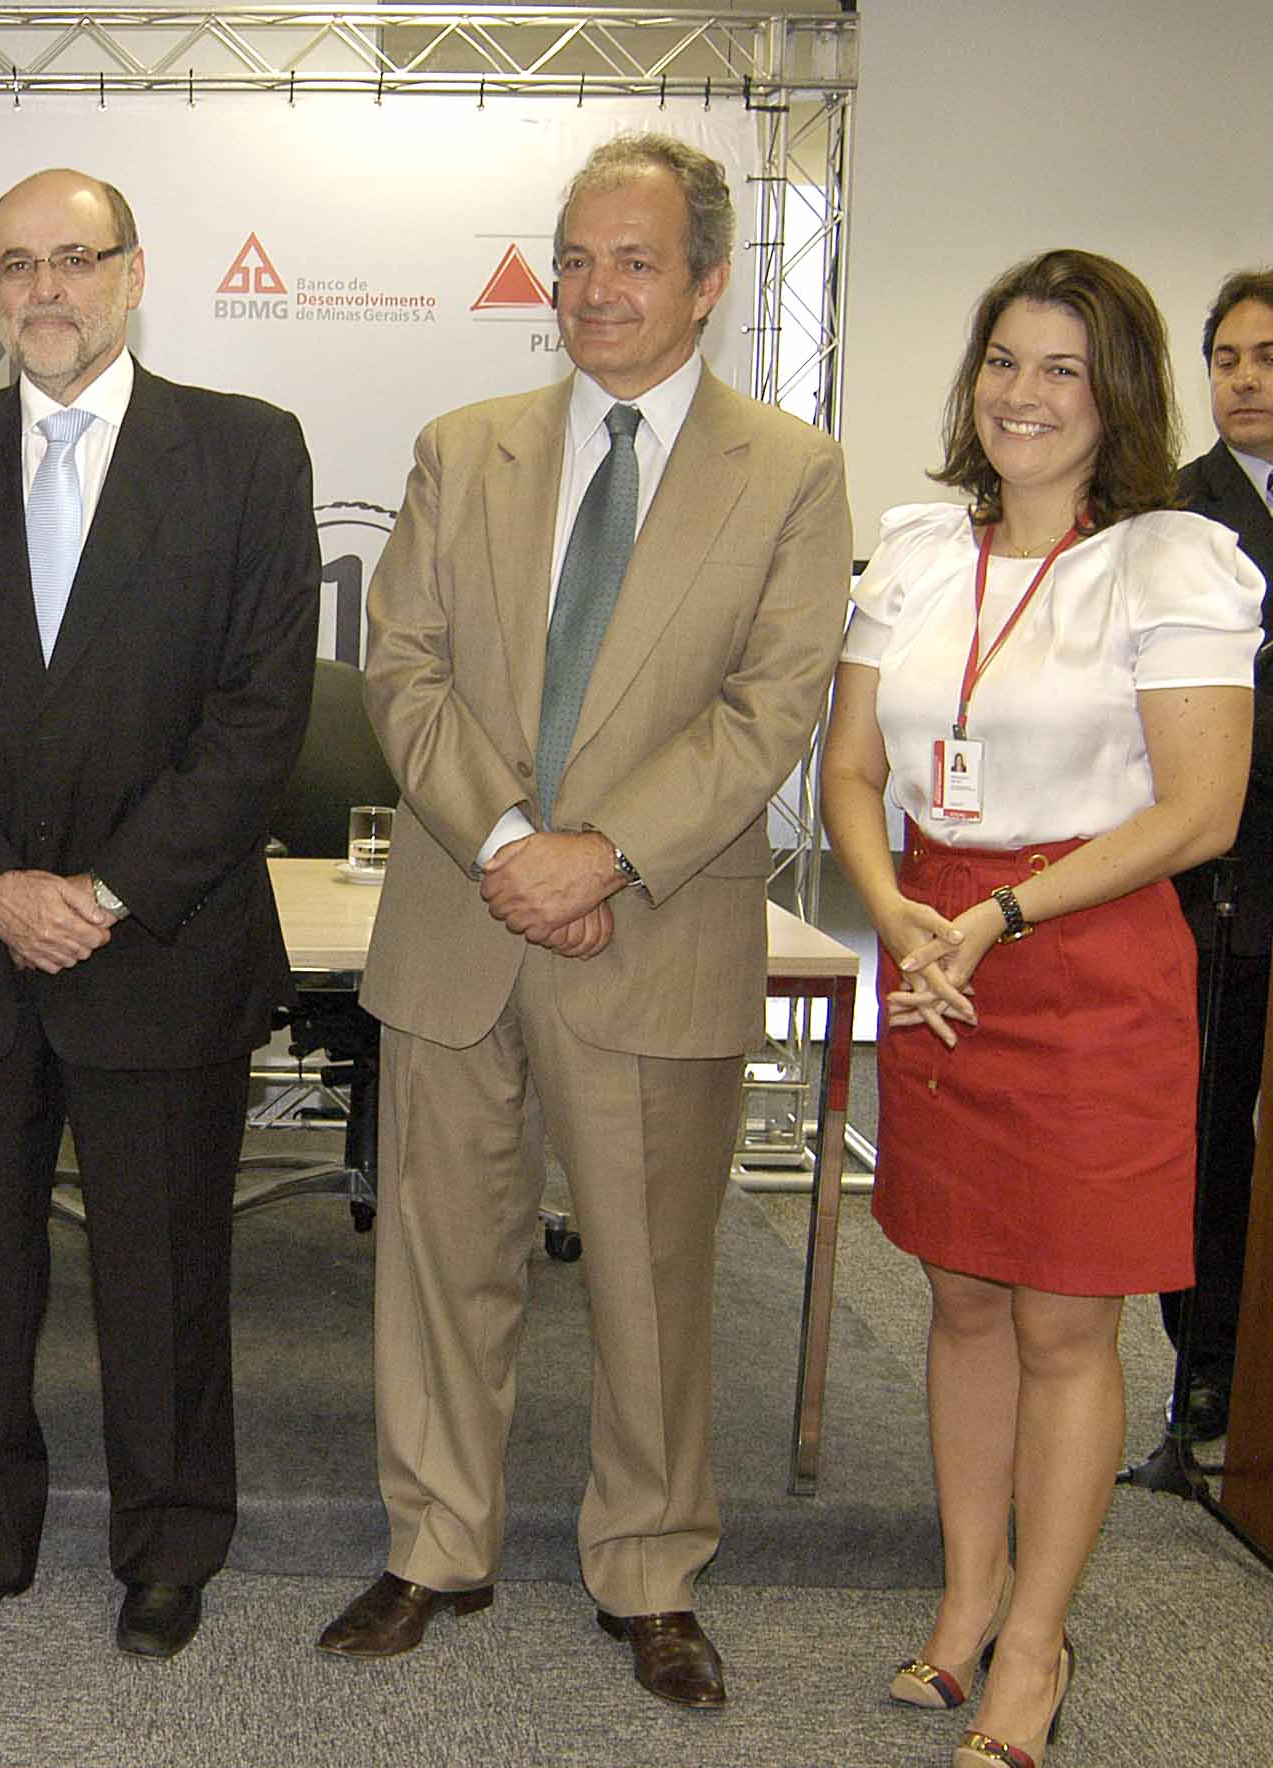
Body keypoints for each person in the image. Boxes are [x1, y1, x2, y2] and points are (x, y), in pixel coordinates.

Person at [323, 133, 852, 1710]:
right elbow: (401, 667)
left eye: (634, 260)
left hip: (654, 928)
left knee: (651, 1286)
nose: (596, 289)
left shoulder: (789, 471)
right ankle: (435, 1545)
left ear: (708, 281)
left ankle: (650, 1569)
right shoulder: (463, 447)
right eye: (573, 258)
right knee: (438, 1266)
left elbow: (773, 707)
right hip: (460, 919)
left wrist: (602, 856)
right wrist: (507, 845)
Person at [0, 167, 318, 1660]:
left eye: (73, 257)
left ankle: (169, 1546)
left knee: (165, 1277)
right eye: (14, 264)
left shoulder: (245, 453)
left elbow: (261, 718)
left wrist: (108, 891)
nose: (43, 289)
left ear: (132, 271)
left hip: (161, 946)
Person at [822, 249, 1258, 1768]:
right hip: (933, 943)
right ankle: (968, 1597)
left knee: (1066, 1320)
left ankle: (1037, 1644)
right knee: (958, 1296)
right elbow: (852, 768)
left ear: (1116, 392)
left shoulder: (1171, 561)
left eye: (1062, 369)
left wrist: (1002, 915)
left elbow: (1200, 810)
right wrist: (894, 912)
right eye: (1004, 361)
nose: (1023, 394)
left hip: (1083, 956)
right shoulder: (917, 550)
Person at [1163, 268, 1273, 1444]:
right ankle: (1206, 1368)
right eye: (1228, 359)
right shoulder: (1177, 513)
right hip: (1227, 884)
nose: (1245, 379)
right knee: (1209, 1135)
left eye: (1269, 357)